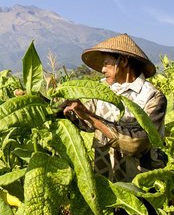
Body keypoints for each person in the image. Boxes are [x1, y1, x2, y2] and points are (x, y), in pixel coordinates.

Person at [61, 33, 167, 182]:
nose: (102, 70)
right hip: (105, 179)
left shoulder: (152, 96)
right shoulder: (103, 92)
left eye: (106, 64)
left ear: (123, 61)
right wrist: (35, 101)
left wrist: (92, 118)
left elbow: (137, 142)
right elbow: (79, 118)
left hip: (142, 183)